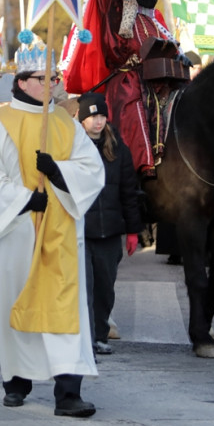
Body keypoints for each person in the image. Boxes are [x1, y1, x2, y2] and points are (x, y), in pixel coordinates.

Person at [0, 41, 104, 417]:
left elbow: (92, 170)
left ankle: (68, 392)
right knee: (18, 302)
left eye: (54, 78)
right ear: (23, 81)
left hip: (60, 234)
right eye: (44, 78)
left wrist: (58, 172)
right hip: (17, 235)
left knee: (64, 306)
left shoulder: (64, 122)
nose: (52, 84)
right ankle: (16, 381)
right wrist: (27, 200)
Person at [65, 0, 189, 177]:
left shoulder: (154, 15)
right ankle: (140, 167)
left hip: (156, 78)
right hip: (125, 79)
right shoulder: (115, 5)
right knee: (132, 99)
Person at [77, 92, 142, 355]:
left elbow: (129, 192)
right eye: (92, 116)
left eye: (102, 115)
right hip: (81, 231)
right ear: (81, 119)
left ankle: (100, 334)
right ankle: (87, 338)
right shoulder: (71, 148)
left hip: (110, 232)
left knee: (105, 288)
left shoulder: (118, 149)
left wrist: (133, 231)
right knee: (85, 289)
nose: (98, 121)